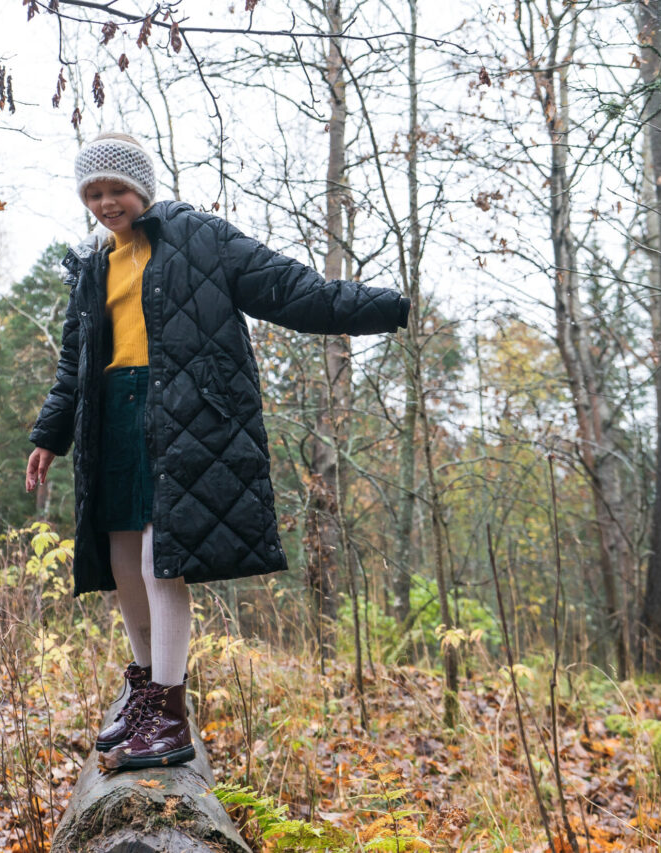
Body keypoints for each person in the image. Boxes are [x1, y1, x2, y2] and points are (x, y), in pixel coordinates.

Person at [25, 132, 410, 772]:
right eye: (93, 192)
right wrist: (49, 433)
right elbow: (76, 360)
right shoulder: (93, 264)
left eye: (116, 189)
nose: (105, 202)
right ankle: (147, 689)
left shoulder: (200, 237)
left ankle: (170, 716)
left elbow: (296, 292)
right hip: (110, 420)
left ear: (142, 188)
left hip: (183, 416)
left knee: (160, 560)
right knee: (122, 561)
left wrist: (392, 305)